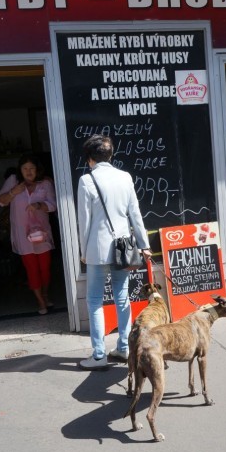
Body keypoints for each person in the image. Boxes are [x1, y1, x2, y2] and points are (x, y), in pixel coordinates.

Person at [77, 134, 152, 370]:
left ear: (89, 158)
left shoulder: (86, 181)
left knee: (95, 301)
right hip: (124, 247)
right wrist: (144, 244)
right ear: (111, 155)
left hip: (97, 249)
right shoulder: (125, 177)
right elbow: (135, 214)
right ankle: (124, 347)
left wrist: (83, 250)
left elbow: (84, 222)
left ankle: (99, 356)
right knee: (122, 297)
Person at [0, 154, 57, 315]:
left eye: (32, 168)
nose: (28, 172)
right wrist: (13, 192)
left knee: (45, 268)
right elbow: (0, 200)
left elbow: (53, 205)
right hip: (22, 235)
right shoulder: (13, 181)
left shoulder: (45, 183)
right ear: (20, 170)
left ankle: (45, 293)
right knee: (32, 269)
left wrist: (39, 205)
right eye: (25, 169)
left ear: (37, 169)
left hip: (41, 234)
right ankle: (40, 301)